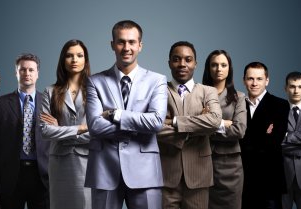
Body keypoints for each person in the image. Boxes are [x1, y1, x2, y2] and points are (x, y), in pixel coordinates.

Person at [84, 20, 168, 209]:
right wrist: (138, 125)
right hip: (104, 170)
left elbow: (155, 122)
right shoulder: (95, 81)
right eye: (121, 42)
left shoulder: (157, 81)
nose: (126, 47)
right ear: (112, 45)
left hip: (145, 171)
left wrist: (117, 114)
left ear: (140, 45)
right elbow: (95, 126)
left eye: (131, 42)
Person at [157, 41, 222, 209]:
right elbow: (154, 128)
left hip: (199, 175)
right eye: (177, 59)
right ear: (169, 62)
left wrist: (175, 121)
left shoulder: (208, 91)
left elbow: (214, 121)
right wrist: (198, 125)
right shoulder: (158, 91)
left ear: (195, 63)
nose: (182, 64)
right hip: (167, 175)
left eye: (188, 59)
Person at [0, 53, 50, 209]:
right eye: (23, 70)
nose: (27, 74)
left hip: (42, 176)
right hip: (10, 176)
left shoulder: (48, 103)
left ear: (38, 73)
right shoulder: (0, 104)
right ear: (16, 73)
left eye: (31, 70)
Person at [40, 39, 91, 209]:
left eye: (79, 55)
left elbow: (98, 130)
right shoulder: (50, 91)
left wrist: (60, 132)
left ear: (85, 60)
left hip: (88, 160)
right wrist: (80, 128)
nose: (74, 60)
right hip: (60, 164)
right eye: (69, 56)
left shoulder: (96, 90)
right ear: (63, 60)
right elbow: (46, 132)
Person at [240, 62, 289, 209]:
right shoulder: (238, 105)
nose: (254, 83)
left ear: (267, 80)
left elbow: (274, 142)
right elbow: (234, 138)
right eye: (250, 79)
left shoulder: (280, 105)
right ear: (244, 80)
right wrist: (264, 133)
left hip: (270, 180)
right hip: (243, 180)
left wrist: (245, 137)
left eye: (259, 79)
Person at [202, 50, 246, 209]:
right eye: (214, 65)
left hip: (230, 167)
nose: (218, 69)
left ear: (229, 69)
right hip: (202, 162)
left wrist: (209, 123)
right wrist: (224, 123)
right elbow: (192, 127)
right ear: (208, 68)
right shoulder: (198, 94)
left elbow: (239, 130)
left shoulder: (238, 97)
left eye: (223, 65)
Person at [281, 71, 301, 209]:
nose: (296, 90)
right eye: (292, 86)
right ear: (285, 88)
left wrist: (287, 136)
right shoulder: (276, 112)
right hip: (282, 175)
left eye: (300, 86)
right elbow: (273, 141)